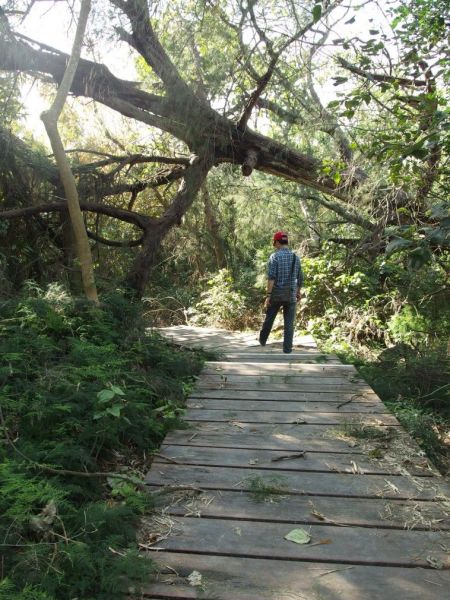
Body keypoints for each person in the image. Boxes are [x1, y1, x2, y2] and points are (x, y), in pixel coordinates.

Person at [259, 231, 303, 353]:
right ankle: (287, 349)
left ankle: (262, 341)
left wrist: (268, 295)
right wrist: (298, 292)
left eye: (274, 243)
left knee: (270, 318)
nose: (274, 245)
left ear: (278, 242)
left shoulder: (275, 257)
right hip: (291, 295)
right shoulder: (296, 257)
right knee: (289, 324)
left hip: (276, 295)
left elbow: (271, 278)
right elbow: (300, 278)